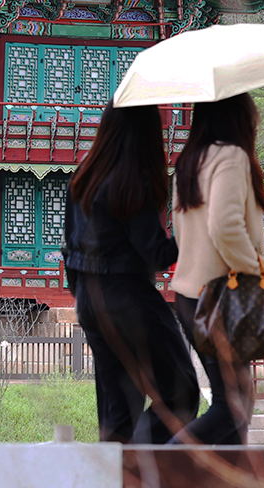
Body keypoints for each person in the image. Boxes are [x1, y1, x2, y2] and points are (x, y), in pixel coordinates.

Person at [64, 103, 199, 444]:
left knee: (118, 411)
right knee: (180, 392)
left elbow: (70, 243)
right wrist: (193, 227)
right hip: (129, 300)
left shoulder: (83, 177)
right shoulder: (130, 181)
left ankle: (118, 468)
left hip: (89, 300)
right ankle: (135, 464)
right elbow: (156, 254)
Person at [168, 93, 264, 445]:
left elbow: (182, 231)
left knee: (238, 404)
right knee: (233, 407)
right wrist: (257, 270)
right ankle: (153, 468)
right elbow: (225, 226)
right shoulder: (231, 157)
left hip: (190, 295)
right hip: (219, 298)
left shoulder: (189, 161)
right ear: (240, 115)